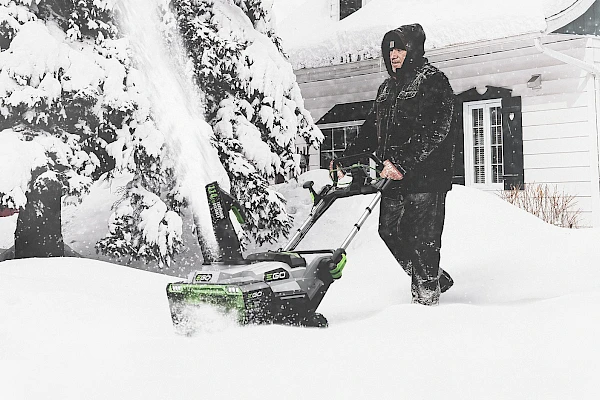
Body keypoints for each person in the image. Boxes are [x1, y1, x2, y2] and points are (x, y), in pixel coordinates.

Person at [336, 23, 456, 305]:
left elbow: (435, 129)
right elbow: (370, 130)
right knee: (389, 231)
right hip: (393, 177)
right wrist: (346, 159)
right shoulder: (387, 88)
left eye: (400, 48)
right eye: (390, 50)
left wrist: (402, 161)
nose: (394, 55)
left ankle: (426, 299)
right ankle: (435, 278)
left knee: (422, 239)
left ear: (414, 49)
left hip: (426, 177)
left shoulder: (433, 81)